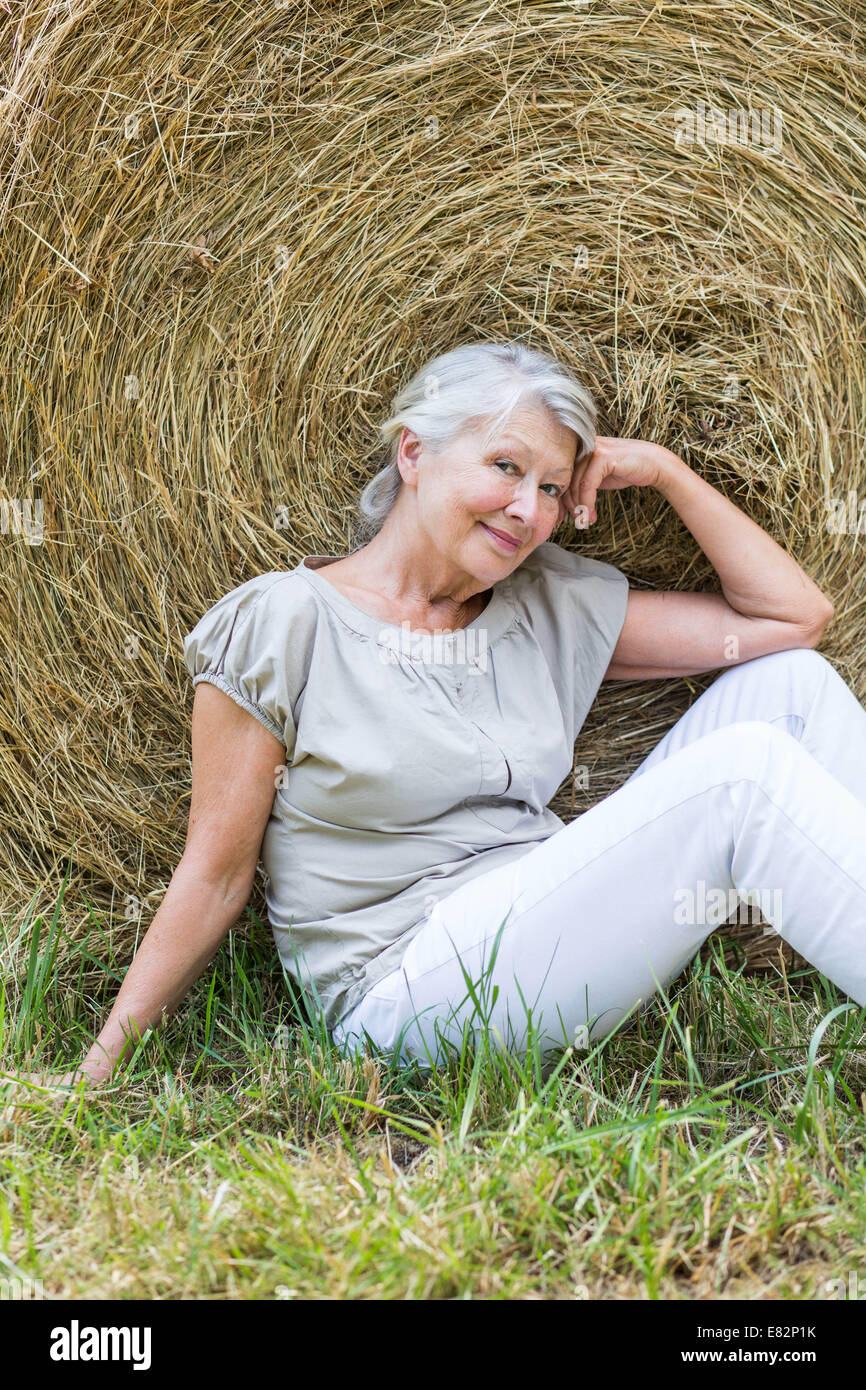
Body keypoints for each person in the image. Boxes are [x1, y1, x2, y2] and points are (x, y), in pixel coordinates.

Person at [37, 339, 866, 1086]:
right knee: (743, 779)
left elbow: (789, 621)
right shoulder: (285, 622)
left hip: (543, 929)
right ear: (413, 454)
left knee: (793, 685)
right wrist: (97, 1070)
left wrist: (666, 472)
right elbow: (215, 875)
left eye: (551, 487)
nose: (529, 510)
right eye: (505, 467)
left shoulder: (544, 607)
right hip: (404, 990)